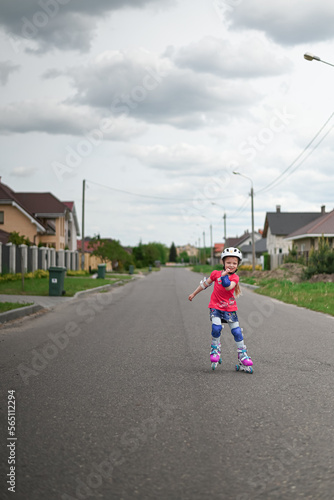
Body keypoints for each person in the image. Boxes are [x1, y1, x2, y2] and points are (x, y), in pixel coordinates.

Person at [188, 247, 253, 372]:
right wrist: (193, 294)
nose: (231, 265)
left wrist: (224, 277)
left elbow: (228, 288)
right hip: (216, 307)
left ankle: (242, 354)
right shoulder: (215, 274)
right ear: (223, 262)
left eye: (234, 263)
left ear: (238, 264)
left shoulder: (235, 278)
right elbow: (204, 284)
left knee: (237, 332)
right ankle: (215, 348)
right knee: (216, 327)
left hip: (230, 308)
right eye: (228, 262)